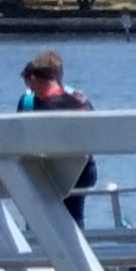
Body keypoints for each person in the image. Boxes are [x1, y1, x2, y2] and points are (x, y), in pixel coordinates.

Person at [15, 51, 97, 227]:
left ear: (33, 78)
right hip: (83, 170)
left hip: (46, 173)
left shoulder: (29, 101)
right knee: (75, 218)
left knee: (38, 221)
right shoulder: (81, 101)